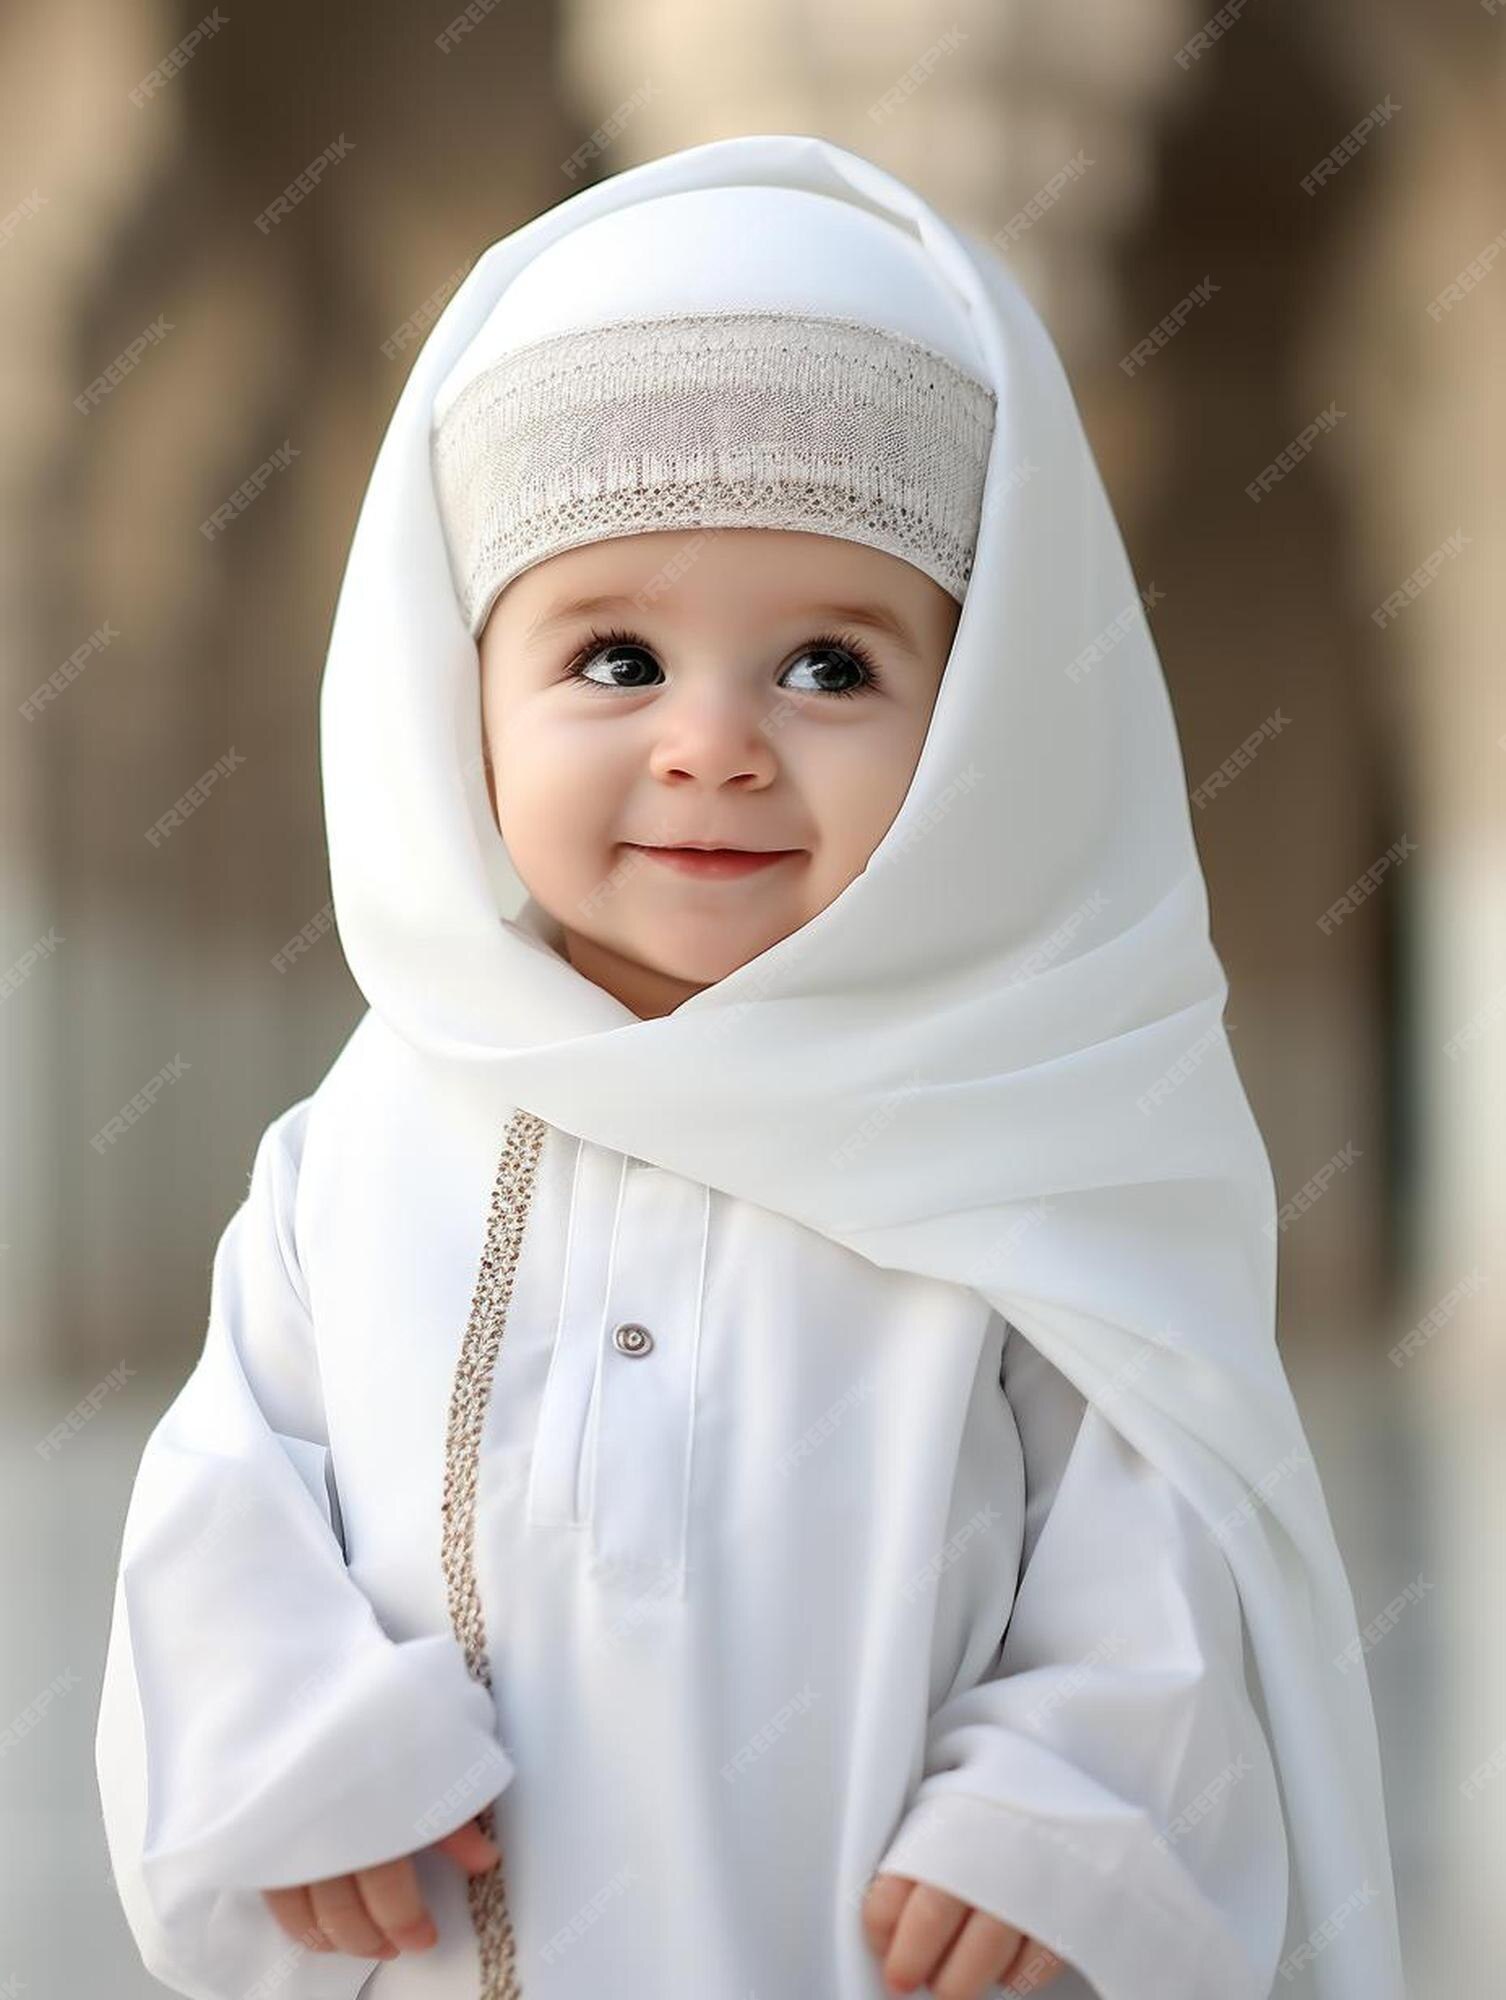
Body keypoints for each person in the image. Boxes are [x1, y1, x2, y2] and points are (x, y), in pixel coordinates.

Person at [96, 134, 1406, 2000]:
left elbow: (1161, 1540)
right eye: (616, 658)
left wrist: (1063, 1821)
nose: (713, 744)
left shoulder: (1027, 1136)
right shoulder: (364, 1150)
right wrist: (298, 1760)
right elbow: (227, 1496)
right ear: (448, 690)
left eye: (827, 667)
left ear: (975, 725)